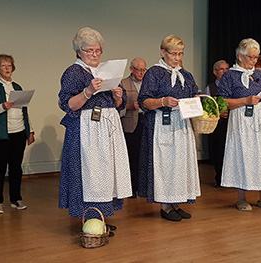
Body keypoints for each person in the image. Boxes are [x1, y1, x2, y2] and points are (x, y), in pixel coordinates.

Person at [58, 27, 132, 232]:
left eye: (97, 50)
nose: (94, 54)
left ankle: (101, 217)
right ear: (78, 51)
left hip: (107, 127)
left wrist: (118, 97)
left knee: (106, 173)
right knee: (90, 173)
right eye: (89, 50)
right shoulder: (73, 72)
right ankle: (90, 219)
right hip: (86, 129)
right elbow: (69, 104)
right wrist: (88, 91)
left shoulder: (105, 70)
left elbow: (120, 103)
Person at [138, 35, 201, 222]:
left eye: (180, 53)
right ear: (163, 52)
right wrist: (162, 101)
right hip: (162, 123)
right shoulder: (154, 73)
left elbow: (194, 93)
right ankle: (165, 206)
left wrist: (196, 100)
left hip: (181, 123)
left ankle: (176, 202)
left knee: (180, 164)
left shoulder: (186, 74)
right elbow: (144, 102)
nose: (176, 57)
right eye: (173, 53)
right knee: (166, 165)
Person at [217, 38, 261, 212]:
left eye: (256, 57)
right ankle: (241, 198)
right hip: (242, 119)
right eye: (250, 57)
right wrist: (244, 100)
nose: (254, 61)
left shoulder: (260, 75)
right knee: (243, 154)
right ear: (240, 56)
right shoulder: (230, 75)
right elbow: (222, 102)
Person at [0, 54, 35, 214]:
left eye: (9, 65)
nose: (7, 68)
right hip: (0, 134)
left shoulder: (17, 87)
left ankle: (15, 198)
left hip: (18, 132)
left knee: (16, 167)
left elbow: (25, 111)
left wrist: (29, 131)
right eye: (3, 65)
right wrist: (2, 107)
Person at [120, 57, 147, 197]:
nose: (142, 73)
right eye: (139, 70)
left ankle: (144, 187)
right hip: (130, 124)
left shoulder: (148, 83)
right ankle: (131, 188)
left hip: (146, 121)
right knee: (132, 156)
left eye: (144, 70)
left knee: (145, 156)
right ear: (131, 69)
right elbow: (116, 107)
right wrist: (130, 106)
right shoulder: (123, 83)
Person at [205, 60, 229, 187]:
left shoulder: (233, 86)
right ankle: (220, 179)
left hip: (232, 124)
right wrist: (218, 114)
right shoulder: (210, 88)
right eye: (221, 69)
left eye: (226, 69)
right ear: (215, 72)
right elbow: (206, 108)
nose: (225, 72)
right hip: (217, 126)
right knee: (218, 152)